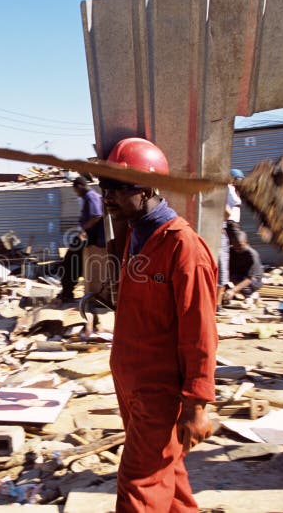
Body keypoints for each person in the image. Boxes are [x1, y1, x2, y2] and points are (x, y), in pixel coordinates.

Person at [100, 137, 216, 512]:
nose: (108, 196)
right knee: (169, 477)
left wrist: (197, 405)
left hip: (159, 392)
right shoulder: (135, 234)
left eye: (119, 187)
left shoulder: (184, 248)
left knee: (139, 486)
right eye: (104, 185)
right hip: (131, 381)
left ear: (149, 188)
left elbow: (201, 332)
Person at [73, 176, 106, 295]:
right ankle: (68, 288)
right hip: (89, 235)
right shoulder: (88, 197)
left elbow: (97, 215)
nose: (76, 194)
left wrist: (83, 230)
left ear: (80, 187)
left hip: (92, 235)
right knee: (74, 259)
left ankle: (67, 289)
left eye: (76, 191)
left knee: (72, 259)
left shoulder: (91, 196)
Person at [218, 168, 244, 311]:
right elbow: (229, 209)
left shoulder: (230, 189)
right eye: (239, 179)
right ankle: (218, 302)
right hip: (229, 223)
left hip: (229, 223)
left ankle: (221, 298)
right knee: (231, 254)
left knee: (227, 256)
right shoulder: (228, 188)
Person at [222, 231, 263, 306]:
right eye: (235, 245)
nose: (237, 248)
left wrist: (233, 290)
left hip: (253, 280)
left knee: (244, 283)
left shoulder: (252, 255)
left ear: (246, 242)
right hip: (239, 275)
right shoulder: (231, 250)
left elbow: (249, 279)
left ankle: (251, 296)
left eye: (240, 245)